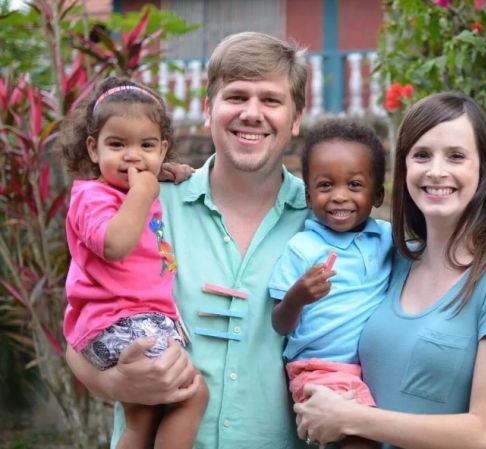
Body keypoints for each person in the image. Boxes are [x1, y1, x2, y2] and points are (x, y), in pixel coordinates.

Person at [64, 32, 313, 448]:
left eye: (271, 100)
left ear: (296, 117)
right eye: (236, 97)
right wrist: (115, 383)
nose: (252, 113)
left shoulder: (322, 220)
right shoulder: (142, 203)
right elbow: (80, 333)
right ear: (208, 110)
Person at [294, 92, 486, 449]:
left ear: (483, 169)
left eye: (456, 156)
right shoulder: (393, 258)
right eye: (421, 155)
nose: (436, 171)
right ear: (404, 169)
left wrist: (350, 418)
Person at [59, 75, 208, 449]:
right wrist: (143, 190)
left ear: (162, 149)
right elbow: (115, 244)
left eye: (146, 146)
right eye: (117, 144)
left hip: (134, 318)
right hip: (121, 320)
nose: (132, 156)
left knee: (143, 419)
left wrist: (163, 173)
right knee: (191, 393)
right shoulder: (92, 198)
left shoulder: (129, 187)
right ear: (93, 149)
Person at [269, 119, 391, 449]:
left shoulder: (387, 240)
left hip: (370, 372)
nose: (339, 196)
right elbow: (279, 324)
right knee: (361, 438)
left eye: (354, 185)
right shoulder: (302, 248)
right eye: (325, 186)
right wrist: (297, 296)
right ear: (309, 196)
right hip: (319, 370)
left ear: (377, 195)